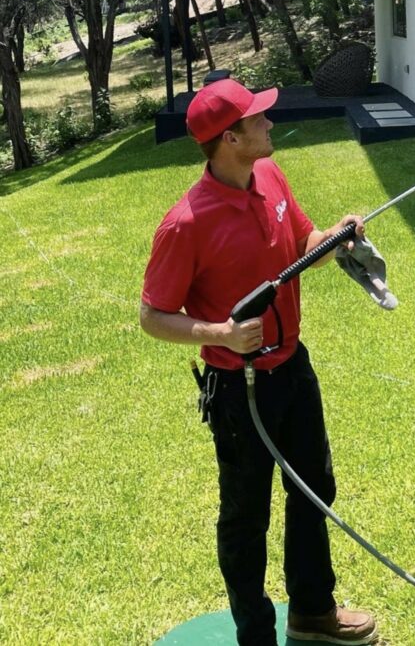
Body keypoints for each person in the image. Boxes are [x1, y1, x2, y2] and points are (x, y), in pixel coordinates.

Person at [140, 79, 378, 646]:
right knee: (247, 515)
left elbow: (303, 247)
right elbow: (153, 315)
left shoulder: (269, 176)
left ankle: (313, 614)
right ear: (230, 139)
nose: (270, 123)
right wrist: (220, 331)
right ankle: (255, 635)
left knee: (313, 488)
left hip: (293, 368)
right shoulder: (186, 224)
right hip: (237, 387)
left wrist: (337, 238)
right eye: (258, 119)